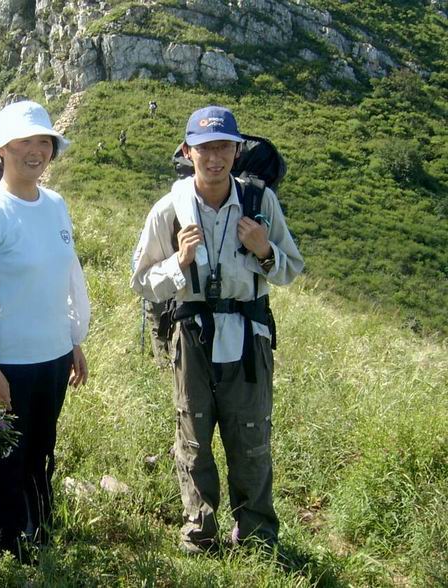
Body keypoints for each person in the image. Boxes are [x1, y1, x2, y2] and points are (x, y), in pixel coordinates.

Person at [131, 106, 303, 554]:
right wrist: (179, 262)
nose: (214, 157)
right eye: (204, 148)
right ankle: (200, 532)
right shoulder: (169, 210)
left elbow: (290, 268)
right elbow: (141, 281)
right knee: (193, 435)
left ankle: (257, 535)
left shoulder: (259, 204)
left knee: (251, 435)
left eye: (224, 146)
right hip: (191, 335)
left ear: (237, 150)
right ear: (188, 151)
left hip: (248, 334)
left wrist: (265, 251)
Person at [0, 100, 90, 561]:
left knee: (41, 447)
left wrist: (74, 340)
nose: (35, 151)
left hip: (52, 355)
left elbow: (68, 276)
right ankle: (8, 547)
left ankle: (41, 532)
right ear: (2, 150)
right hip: (4, 360)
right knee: (2, 455)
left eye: (43, 142)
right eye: (23, 142)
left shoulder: (55, 205)